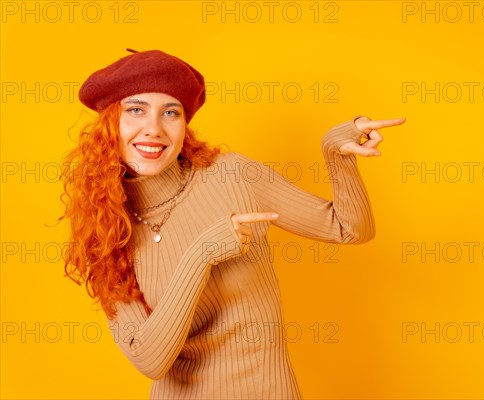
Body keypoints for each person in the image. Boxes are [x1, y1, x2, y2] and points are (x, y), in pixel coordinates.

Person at [60, 48, 405, 399]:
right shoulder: (105, 230)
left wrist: (337, 155)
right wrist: (201, 255)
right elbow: (150, 360)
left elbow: (350, 229)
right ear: (110, 123)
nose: (153, 128)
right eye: (136, 110)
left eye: (171, 113)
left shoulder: (233, 176)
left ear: (184, 127)